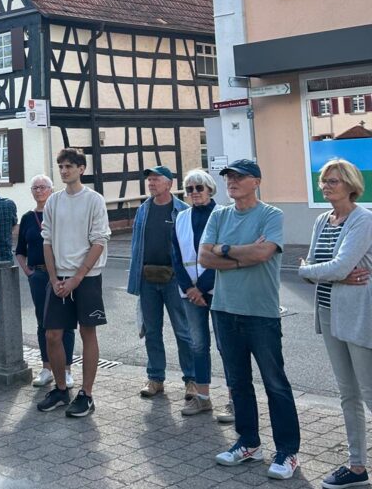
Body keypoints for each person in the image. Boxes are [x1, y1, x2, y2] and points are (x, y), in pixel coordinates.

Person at [200, 159, 301, 480]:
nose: (231, 181)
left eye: (239, 177)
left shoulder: (271, 215)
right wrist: (241, 256)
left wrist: (224, 250)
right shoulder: (219, 214)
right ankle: (248, 443)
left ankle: (287, 451)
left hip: (260, 313)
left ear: (256, 181)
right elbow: (204, 257)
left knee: (275, 384)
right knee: (238, 383)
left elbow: (263, 254)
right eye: (228, 177)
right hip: (224, 310)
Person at [298, 159, 372, 489]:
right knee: (347, 393)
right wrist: (321, 272)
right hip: (328, 313)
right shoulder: (321, 220)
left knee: (370, 392)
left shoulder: (364, 219)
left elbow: (338, 267)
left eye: (334, 181)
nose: (327, 186)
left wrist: (309, 271)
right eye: (324, 181)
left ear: (351, 185)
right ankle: (357, 467)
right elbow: (320, 265)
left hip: (359, 314)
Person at [37, 148, 110, 418]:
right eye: (61, 166)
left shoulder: (94, 200)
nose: (64, 170)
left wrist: (77, 278)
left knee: (87, 333)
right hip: (59, 278)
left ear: (81, 168)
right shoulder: (54, 201)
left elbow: (99, 241)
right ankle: (59, 389)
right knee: (52, 335)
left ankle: (87, 395)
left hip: (87, 278)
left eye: (69, 166)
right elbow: (47, 242)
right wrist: (54, 278)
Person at [126, 165, 196, 403]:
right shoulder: (143, 210)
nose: (152, 183)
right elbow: (136, 246)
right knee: (152, 332)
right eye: (150, 180)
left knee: (184, 332)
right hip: (147, 279)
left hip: (175, 280)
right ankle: (155, 378)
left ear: (169, 183)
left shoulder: (183, 210)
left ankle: (192, 380)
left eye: (157, 179)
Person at [171, 170, 232, 419]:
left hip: (218, 290)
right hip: (190, 293)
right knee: (197, 345)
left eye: (199, 188)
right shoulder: (181, 217)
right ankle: (203, 397)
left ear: (210, 189)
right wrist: (189, 288)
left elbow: (224, 255)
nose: (194, 193)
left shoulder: (224, 215)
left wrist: (204, 286)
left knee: (227, 346)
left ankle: (234, 399)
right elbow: (175, 255)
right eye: (189, 189)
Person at [15, 175, 75, 388]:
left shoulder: (60, 214)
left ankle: (66, 369)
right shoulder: (28, 218)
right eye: (35, 188)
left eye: (43, 187)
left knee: (65, 322)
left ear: (51, 190)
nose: (39, 191)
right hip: (39, 276)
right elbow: (20, 251)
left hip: (62, 274)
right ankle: (47, 368)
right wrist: (29, 272)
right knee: (43, 322)